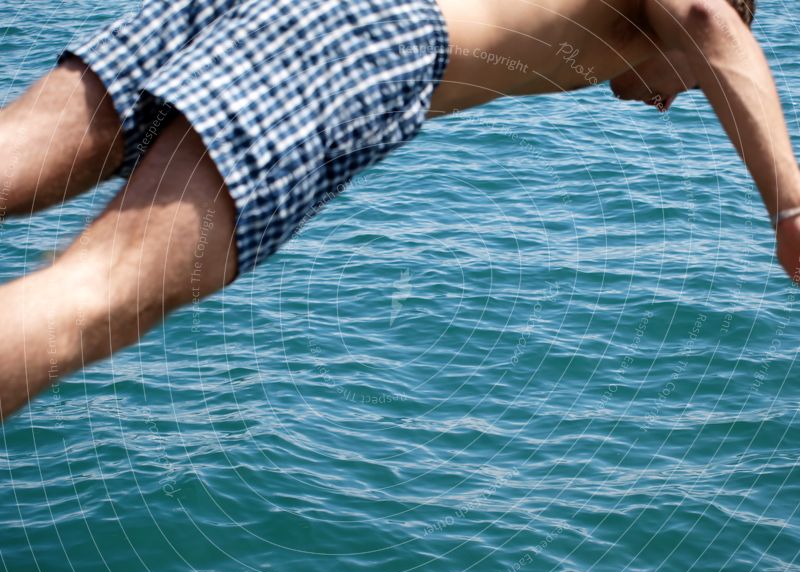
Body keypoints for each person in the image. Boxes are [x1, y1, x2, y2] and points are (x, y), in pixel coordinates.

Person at [0, 0, 797, 421]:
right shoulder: (673, 16)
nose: (666, 101)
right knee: (97, 295)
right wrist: (790, 209)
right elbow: (705, 19)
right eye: (688, 83)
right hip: (365, 30)